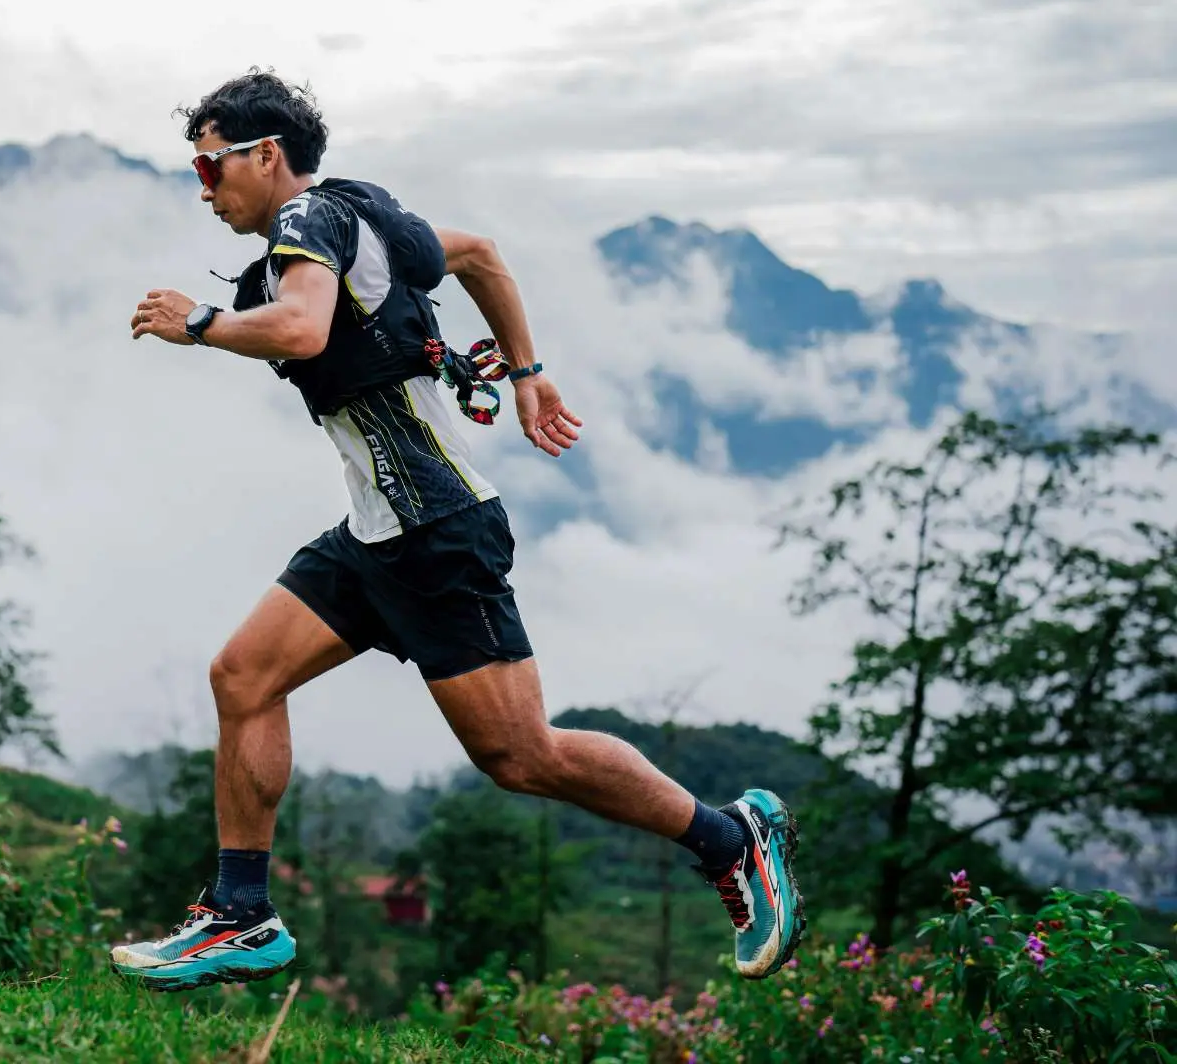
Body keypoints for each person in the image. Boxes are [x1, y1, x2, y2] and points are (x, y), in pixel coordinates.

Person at [118, 69, 805, 993]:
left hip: (437, 533)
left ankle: (733, 838)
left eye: (209, 167)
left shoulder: (307, 226)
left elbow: (305, 331)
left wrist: (200, 322)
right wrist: (529, 372)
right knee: (243, 676)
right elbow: (479, 253)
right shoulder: (364, 218)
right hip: (376, 535)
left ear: (265, 156)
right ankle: (241, 916)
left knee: (524, 757)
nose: (203, 188)